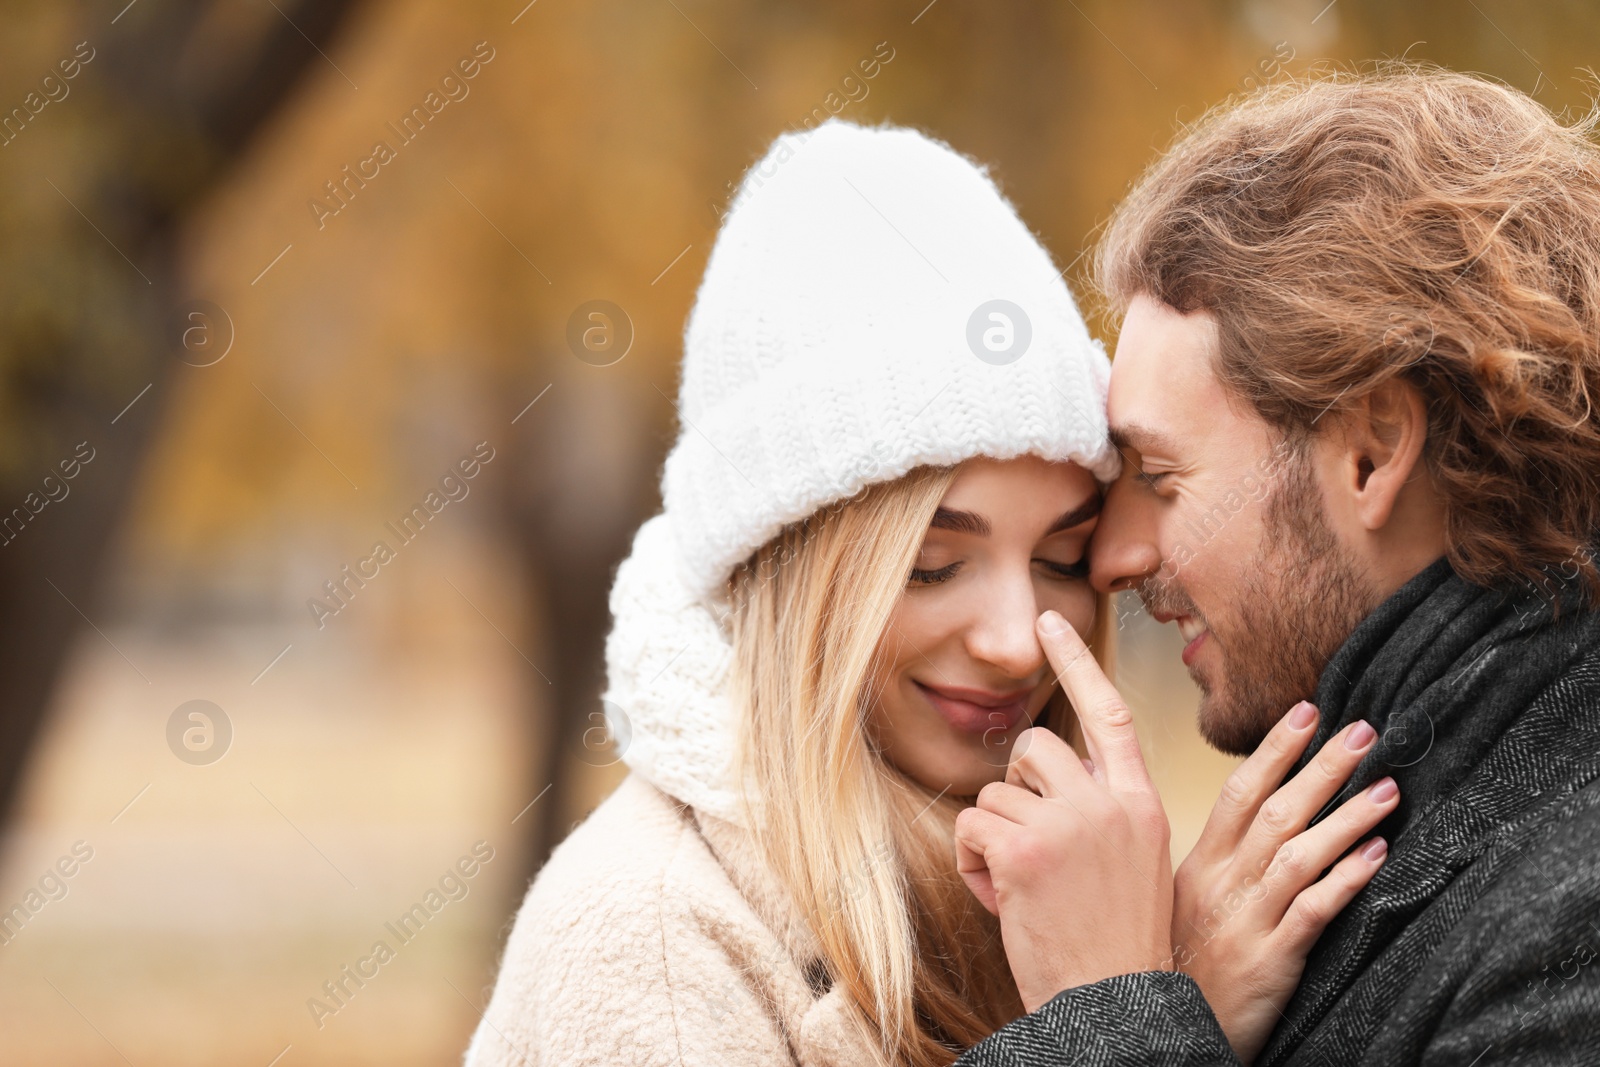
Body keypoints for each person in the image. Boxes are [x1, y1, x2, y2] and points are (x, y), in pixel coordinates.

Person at [463, 120, 1387, 1067]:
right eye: (934, 565)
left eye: (1063, 559)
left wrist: (1163, 1010)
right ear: (795, 574)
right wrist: (1129, 1026)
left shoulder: (1040, 881)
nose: (1017, 643)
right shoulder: (650, 941)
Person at [953, 66, 1600, 1066]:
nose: (1115, 557)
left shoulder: (1567, 920)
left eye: (1160, 477)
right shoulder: (1405, 828)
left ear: (1371, 451)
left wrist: (1106, 1014)